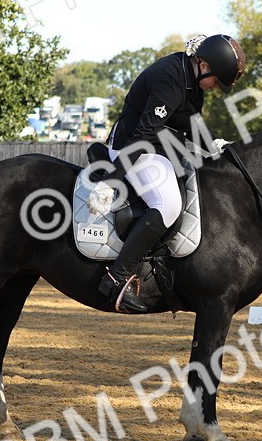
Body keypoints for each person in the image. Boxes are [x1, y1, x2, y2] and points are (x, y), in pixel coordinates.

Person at [98, 33, 245, 313]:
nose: (215, 87)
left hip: (157, 147)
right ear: (204, 65)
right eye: (217, 81)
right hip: (133, 147)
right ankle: (116, 278)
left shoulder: (192, 81)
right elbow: (142, 134)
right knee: (168, 204)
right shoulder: (171, 78)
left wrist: (217, 146)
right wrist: (112, 180)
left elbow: (191, 122)